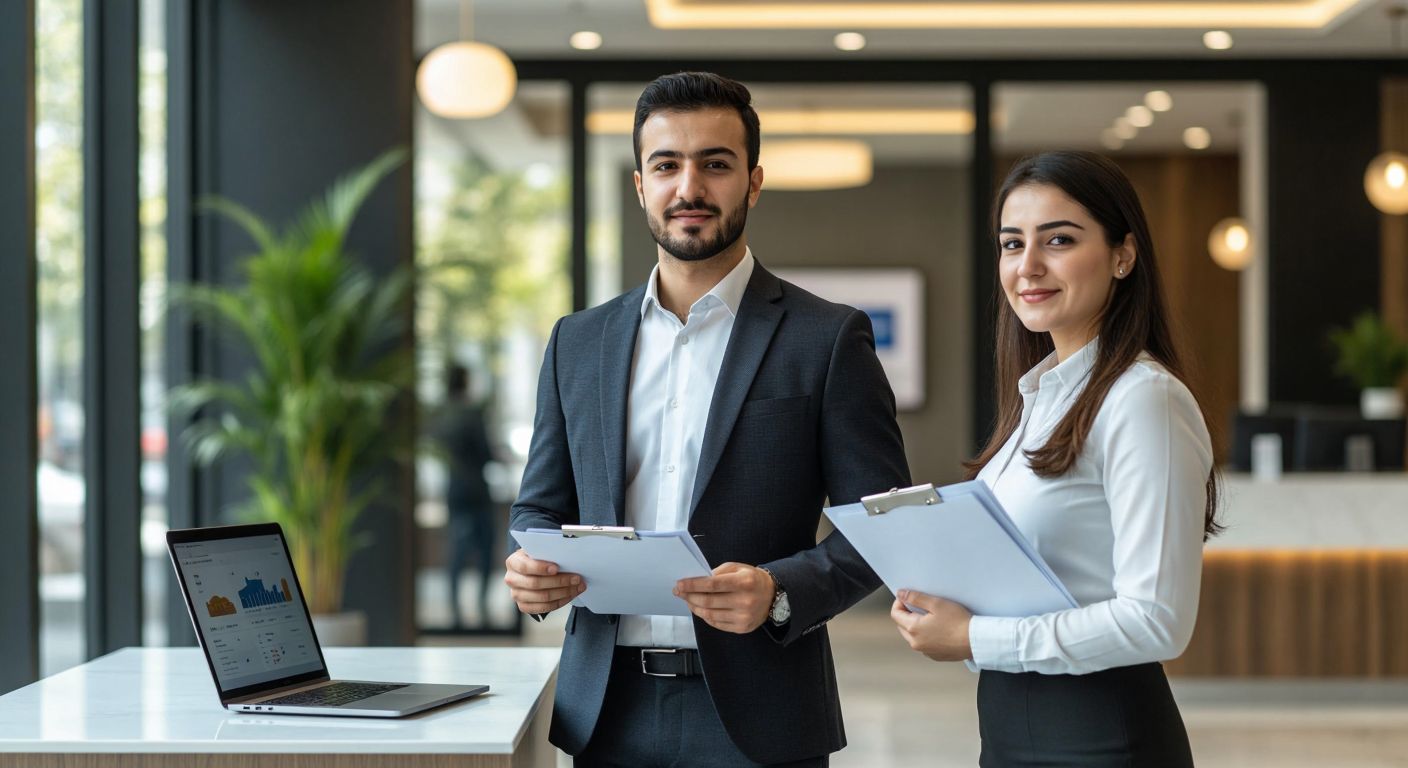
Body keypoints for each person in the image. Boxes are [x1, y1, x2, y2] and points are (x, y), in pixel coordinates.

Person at [504, 71, 910, 767]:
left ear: (752, 181)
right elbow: (540, 510)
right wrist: (532, 572)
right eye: (666, 165)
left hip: (764, 715)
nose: (688, 188)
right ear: (640, 184)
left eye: (715, 165)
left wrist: (780, 591)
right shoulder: (578, 341)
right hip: (605, 714)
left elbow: (885, 526)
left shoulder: (826, 338)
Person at [889, 150, 1219, 767]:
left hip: (1103, 738)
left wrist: (973, 636)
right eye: (1012, 244)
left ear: (1123, 255)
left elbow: (1157, 622)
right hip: (1013, 727)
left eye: (1059, 240)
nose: (1028, 266)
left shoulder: (1143, 399)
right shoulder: (1038, 398)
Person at [435, 364, 496, 629]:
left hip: (453, 489)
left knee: (456, 553)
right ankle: (482, 608)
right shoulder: (471, 413)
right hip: (477, 491)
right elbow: (485, 452)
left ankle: (455, 611)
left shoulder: (439, 414)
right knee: (484, 550)